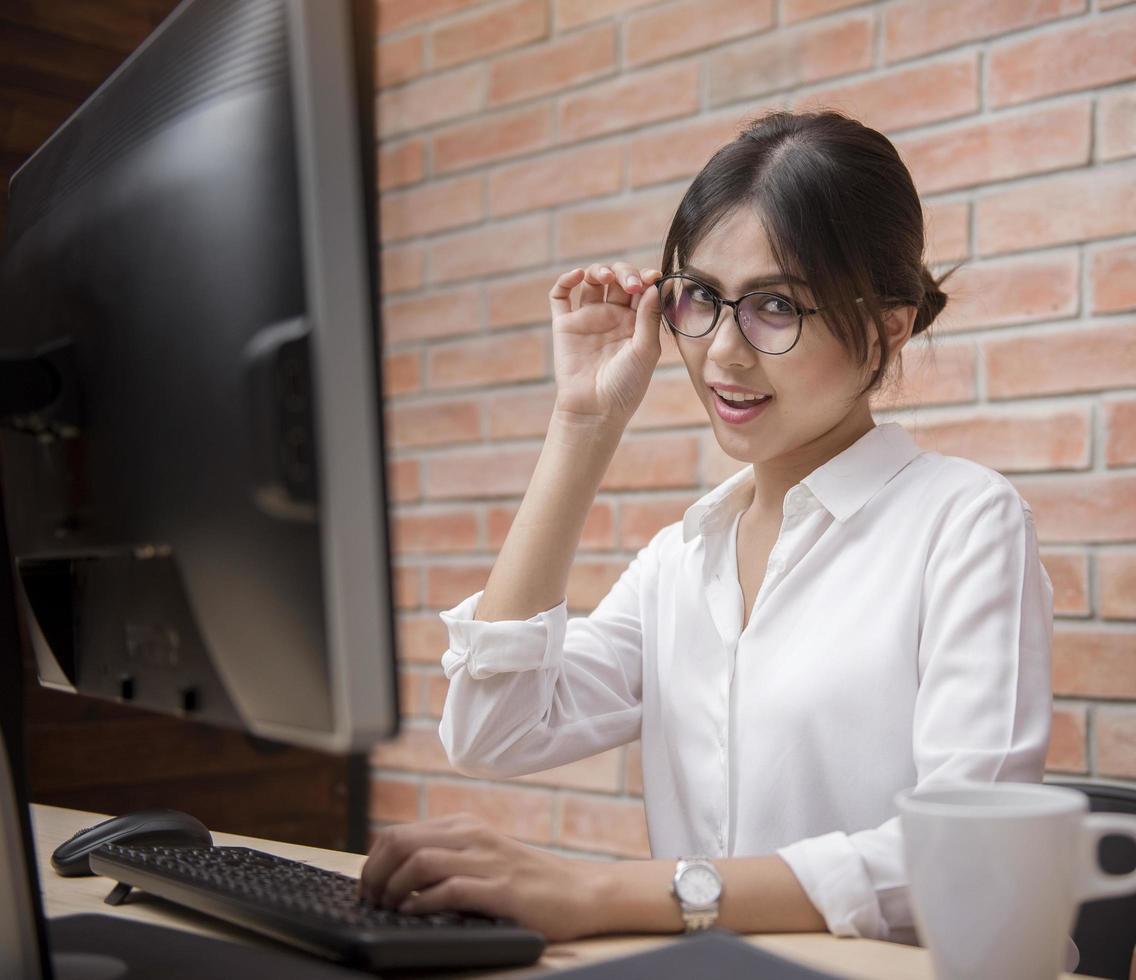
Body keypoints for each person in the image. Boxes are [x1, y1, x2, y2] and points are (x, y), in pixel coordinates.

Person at [358, 110, 1054, 948]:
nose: (723, 352)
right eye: (701, 298)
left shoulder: (963, 524)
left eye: (775, 306)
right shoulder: (683, 559)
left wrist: (602, 892)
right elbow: (489, 733)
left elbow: (963, 855)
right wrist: (583, 425)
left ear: (888, 326)